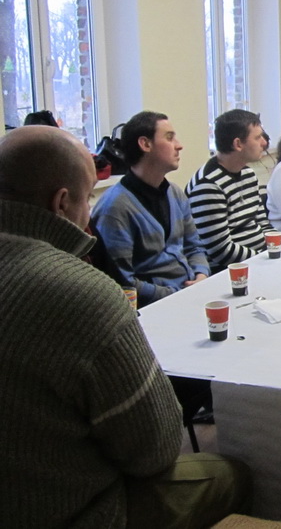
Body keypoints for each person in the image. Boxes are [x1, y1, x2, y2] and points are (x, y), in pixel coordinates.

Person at [0, 126, 251, 528]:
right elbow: (156, 450)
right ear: (62, 203)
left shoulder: (174, 193)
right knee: (230, 472)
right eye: (87, 198)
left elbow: (194, 245)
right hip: (73, 511)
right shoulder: (79, 291)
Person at [91, 111, 210, 307]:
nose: (179, 145)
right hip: (156, 306)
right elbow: (121, 282)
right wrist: (177, 294)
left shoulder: (175, 193)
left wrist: (201, 275)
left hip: (190, 293)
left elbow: (194, 246)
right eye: (169, 138)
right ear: (145, 144)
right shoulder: (115, 208)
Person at [186, 109, 272, 271]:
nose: (264, 143)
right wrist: (265, 259)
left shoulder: (248, 173)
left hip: (259, 259)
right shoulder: (208, 186)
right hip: (229, 270)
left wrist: (280, 247)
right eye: (257, 138)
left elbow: (263, 224)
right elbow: (220, 251)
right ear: (238, 144)